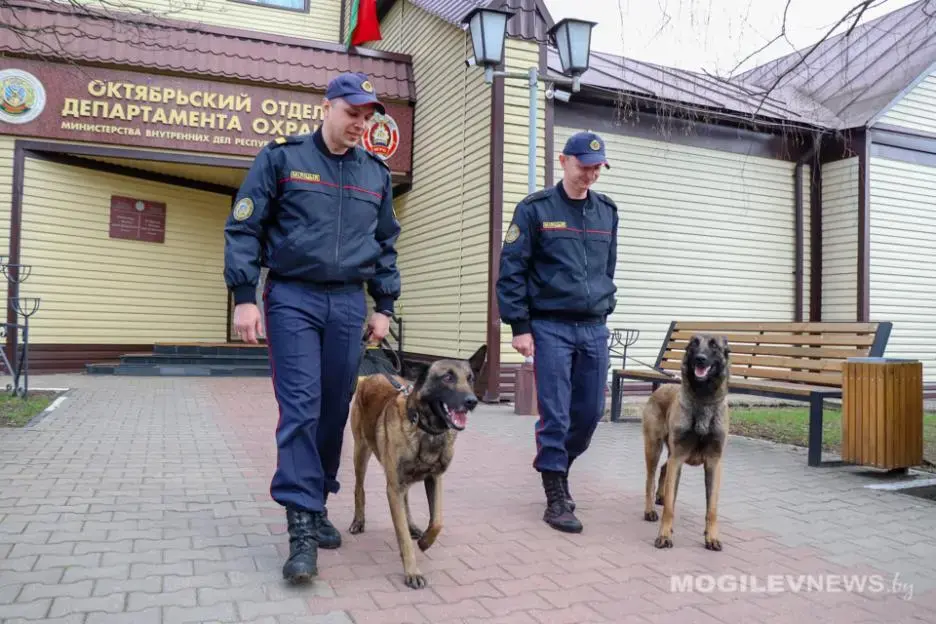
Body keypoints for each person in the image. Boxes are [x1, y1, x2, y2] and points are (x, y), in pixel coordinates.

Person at [223, 72, 401, 583]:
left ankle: (317, 499)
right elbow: (244, 227)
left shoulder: (375, 175)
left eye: (368, 117)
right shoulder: (282, 158)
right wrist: (244, 297)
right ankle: (301, 525)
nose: (359, 124)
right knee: (300, 406)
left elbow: (386, 244)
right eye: (352, 113)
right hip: (293, 298)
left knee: (330, 410)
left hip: (348, 302)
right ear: (327, 106)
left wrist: (384, 304)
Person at [495, 130, 618, 534]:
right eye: (584, 166)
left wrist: (603, 304)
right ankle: (555, 494)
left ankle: (557, 467)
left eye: (597, 168)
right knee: (557, 413)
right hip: (550, 327)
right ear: (563, 161)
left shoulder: (607, 212)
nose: (591, 175)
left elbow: (606, 269)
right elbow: (511, 270)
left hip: (593, 328)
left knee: (589, 414)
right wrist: (520, 325)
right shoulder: (535, 209)